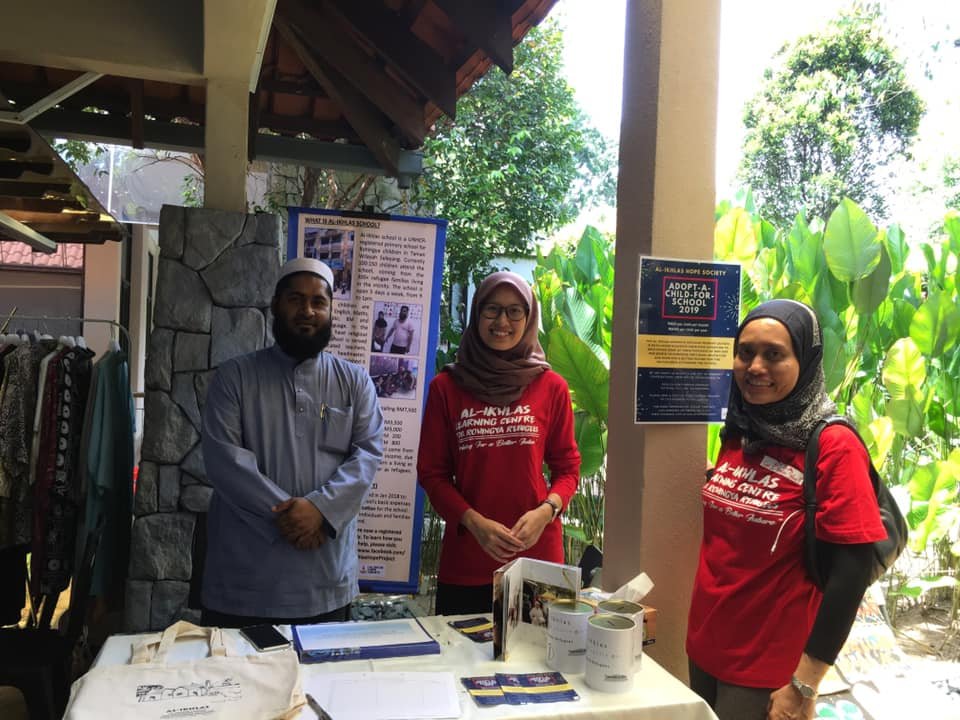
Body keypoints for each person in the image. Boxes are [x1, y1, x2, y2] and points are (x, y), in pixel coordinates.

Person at [686, 299, 887, 720]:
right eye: (745, 353)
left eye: (774, 354)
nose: (755, 366)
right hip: (705, 644)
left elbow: (851, 574)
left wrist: (805, 683)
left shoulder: (834, 445)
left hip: (766, 667)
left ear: (806, 360)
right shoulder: (742, 431)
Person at [200, 257, 384, 628]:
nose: (307, 311)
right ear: (276, 305)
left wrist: (320, 511)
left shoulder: (355, 382)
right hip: (244, 583)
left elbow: (366, 456)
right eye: (295, 300)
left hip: (326, 579)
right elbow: (225, 461)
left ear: (331, 310)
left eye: (319, 302)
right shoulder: (234, 378)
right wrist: (294, 516)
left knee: (322, 687)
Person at [417, 271, 581, 615]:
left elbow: (567, 467)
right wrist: (473, 522)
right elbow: (432, 474)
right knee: (461, 665)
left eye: (515, 311)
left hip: (538, 555)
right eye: (492, 309)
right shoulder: (446, 388)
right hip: (468, 559)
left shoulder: (551, 387)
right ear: (477, 314)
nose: (502, 321)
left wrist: (546, 510)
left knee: (540, 666)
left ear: (529, 316)